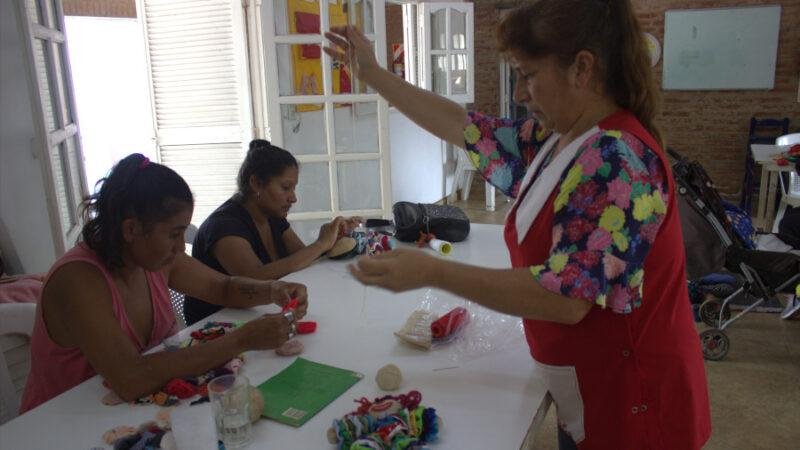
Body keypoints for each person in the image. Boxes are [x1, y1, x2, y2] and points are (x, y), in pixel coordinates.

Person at [325, 1, 711, 448]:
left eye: (529, 75)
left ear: (582, 69)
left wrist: (433, 271)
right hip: (588, 387)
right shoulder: (560, 141)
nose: (521, 93)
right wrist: (373, 74)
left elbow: (568, 298)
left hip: (634, 401)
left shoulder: (616, 160)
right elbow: (464, 126)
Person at [20, 154, 308, 413]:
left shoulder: (151, 258)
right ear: (132, 229)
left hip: (125, 414)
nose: (180, 248)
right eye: (174, 234)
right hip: (58, 427)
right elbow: (131, 378)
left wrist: (272, 290)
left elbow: (221, 288)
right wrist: (243, 339)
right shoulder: (78, 280)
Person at [184, 139, 360, 325]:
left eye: (293, 188)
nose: (293, 198)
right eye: (285, 188)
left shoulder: (272, 216)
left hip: (259, 312)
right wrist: (320, 245)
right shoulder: (223, 226)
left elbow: (302, 259)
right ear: (256, 183)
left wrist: (330, 240)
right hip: (217, 326)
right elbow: (254, 278)